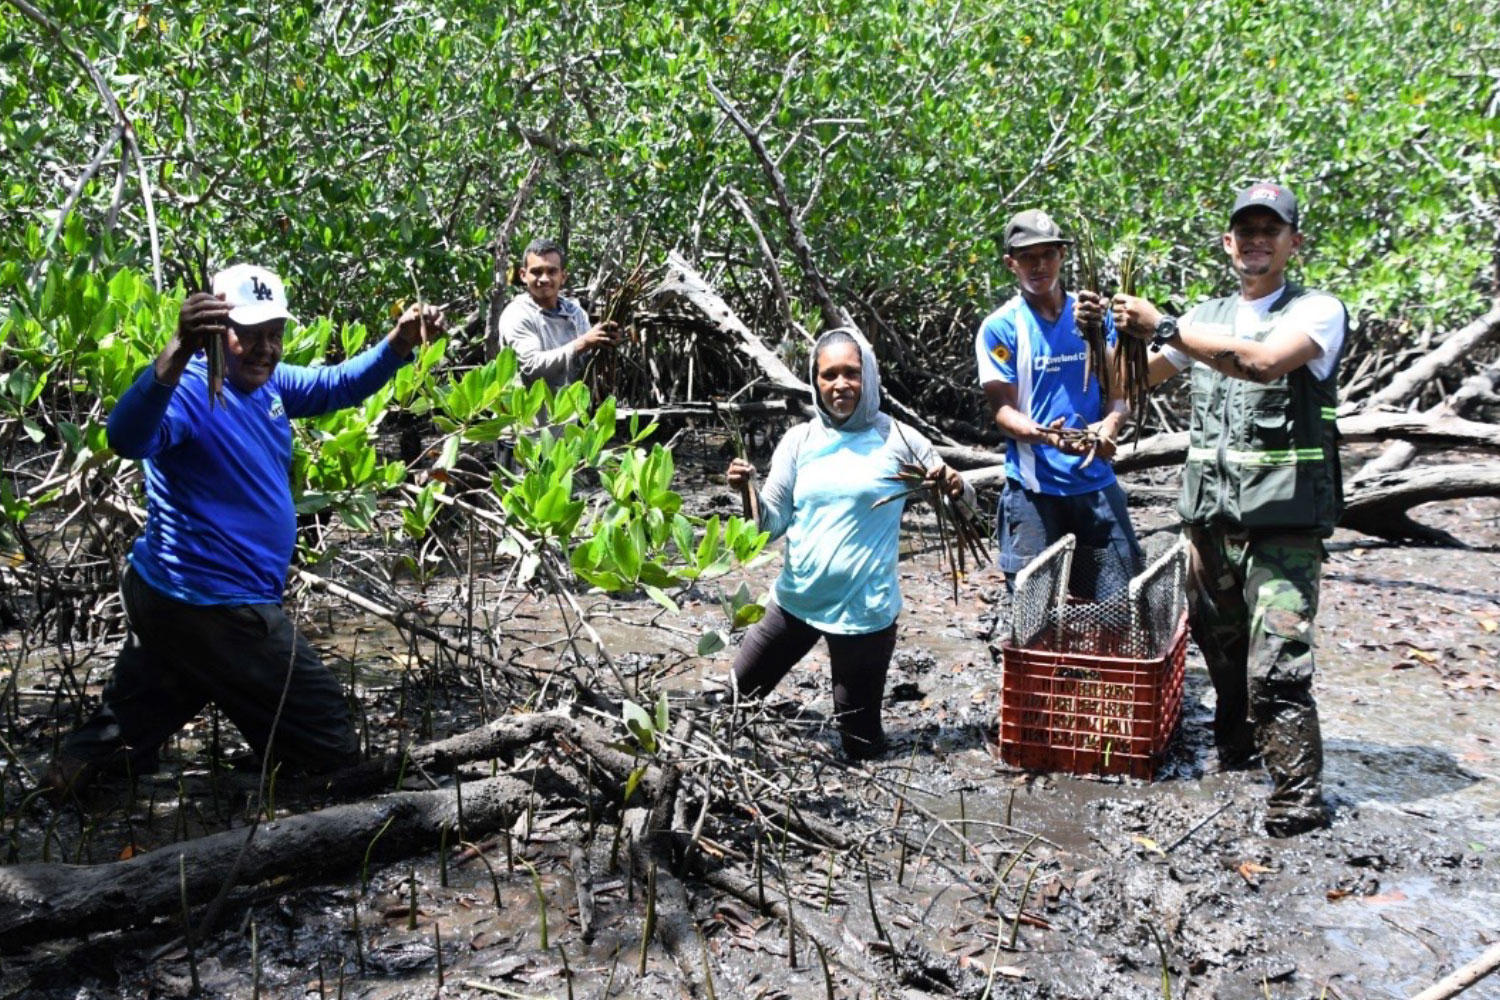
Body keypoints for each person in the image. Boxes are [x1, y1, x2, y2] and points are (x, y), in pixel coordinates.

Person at [48, 263, 445, 791]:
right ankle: (271, 800)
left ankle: (65, 780)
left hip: (180, 599)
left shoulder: (270, 383)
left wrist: (397, 344)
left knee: (128, 729)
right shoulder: (190, 391)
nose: (265, 348)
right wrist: (176, 349)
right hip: (212, 603)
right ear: (217, 332)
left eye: (274, 335)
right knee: (328, 737)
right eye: (249, 335)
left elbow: (337, 386)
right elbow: (126, 439)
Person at [1107, 182, 1347, 837]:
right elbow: (1126, 382)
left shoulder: (1316, 311)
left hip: (1284, 531)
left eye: (1272, 230)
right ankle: (1238, 759)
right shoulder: (1206, 318)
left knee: (1278, 667)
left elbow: (1263, 364)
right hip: (1209, 529)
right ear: (1228, 242)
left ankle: (1297, 802)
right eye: (1246, 230)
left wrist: (1162, 324)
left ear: (1293, 243)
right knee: (1229, 664)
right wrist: (1104, 338)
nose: (1257, 241)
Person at [725, 329, 974, 760]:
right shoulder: (799, 441)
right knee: (732, 702)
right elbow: (770, 524)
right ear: (816, 382)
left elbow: (965, 512)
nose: (840, 384)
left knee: (861, 746)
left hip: (865, 616)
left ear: (870, 377)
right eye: (829, 375)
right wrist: (746, 489)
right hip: (795, 603)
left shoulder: (899, 439)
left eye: (851, 374)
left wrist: (955, 485)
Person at [974, 208, 1141, 597]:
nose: (1039, 265)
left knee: (1118, 604)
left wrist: (1110, 426)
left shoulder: (1094, 318)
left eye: (1048, 254)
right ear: (1010, 263)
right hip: (1033, 489)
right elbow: (1002, 411)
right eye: (1028, 257)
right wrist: (1046, 437)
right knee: (1034, 614)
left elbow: (1121, 396)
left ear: (1062, 256)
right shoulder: (1001, 326)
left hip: (1095, 483)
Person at [497, 237, 619, 391]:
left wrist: (604, 341)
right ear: (523, 275)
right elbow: (533, 367)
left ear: (563, 276)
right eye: (536, 272)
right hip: (528, 413)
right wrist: (584, 343)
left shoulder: (575, 313)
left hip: (573, 411)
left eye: (552, 271)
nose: (544, 278)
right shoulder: (516, 314)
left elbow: (585, 364)